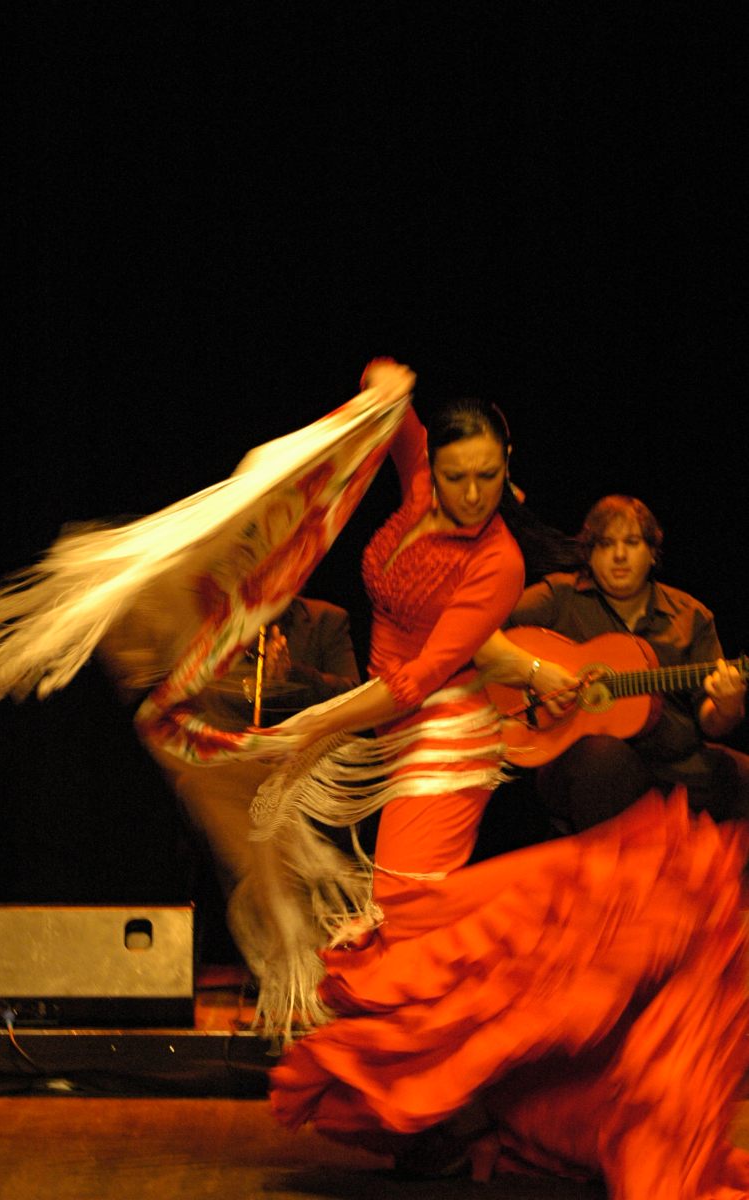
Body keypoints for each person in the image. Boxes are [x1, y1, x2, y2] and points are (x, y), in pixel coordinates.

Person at [253, 361, 749, 1195]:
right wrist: (384, 385)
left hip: (445, 734)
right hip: (393, 732)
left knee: (409, 929)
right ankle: (463, 1109)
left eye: (490, 477)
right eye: (457, 475)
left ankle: (464, 1109)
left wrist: (305, 730)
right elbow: (395, 418)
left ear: (508, 464)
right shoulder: (419, 492)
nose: (474, 493)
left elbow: (420, 679)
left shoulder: (500, 566)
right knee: (413, 932)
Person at [98, 594, 360, 958]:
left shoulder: (325, 619)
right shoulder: (218, 625)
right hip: (239, 761)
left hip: (306, 762)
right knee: (216, 793)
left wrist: (294, 674)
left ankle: (295, 944)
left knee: (273, 804)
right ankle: (277, 942)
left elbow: (353, 693)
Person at [495, 494, 749, 833]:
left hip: (676, 765)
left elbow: (712, 723)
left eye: (631, 543)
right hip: (585, 764)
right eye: (605, 544)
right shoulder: (559, 597)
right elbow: (482, 630)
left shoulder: (691, 616)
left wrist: (728, 706)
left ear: (652, 552)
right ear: (589, 552)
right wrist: (534, 672)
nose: (619, 556)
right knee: (605, 761)